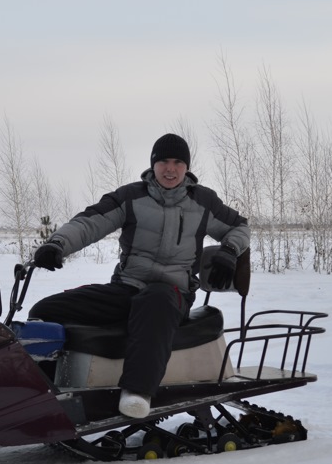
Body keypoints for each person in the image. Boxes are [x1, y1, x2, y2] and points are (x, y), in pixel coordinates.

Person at [29, 133, 250, 418]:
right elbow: (88, 223)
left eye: (178, 162)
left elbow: (240, 227)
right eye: (164, 162)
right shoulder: (131, 197)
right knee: (46, 309)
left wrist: (229, 251)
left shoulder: (204, 202)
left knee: (155, 298)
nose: (170, 169)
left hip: (172, 295)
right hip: (126, 289)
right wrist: (56, 244)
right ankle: (44, 392)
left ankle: (137, 392)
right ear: (153, 165)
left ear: (187, 167)